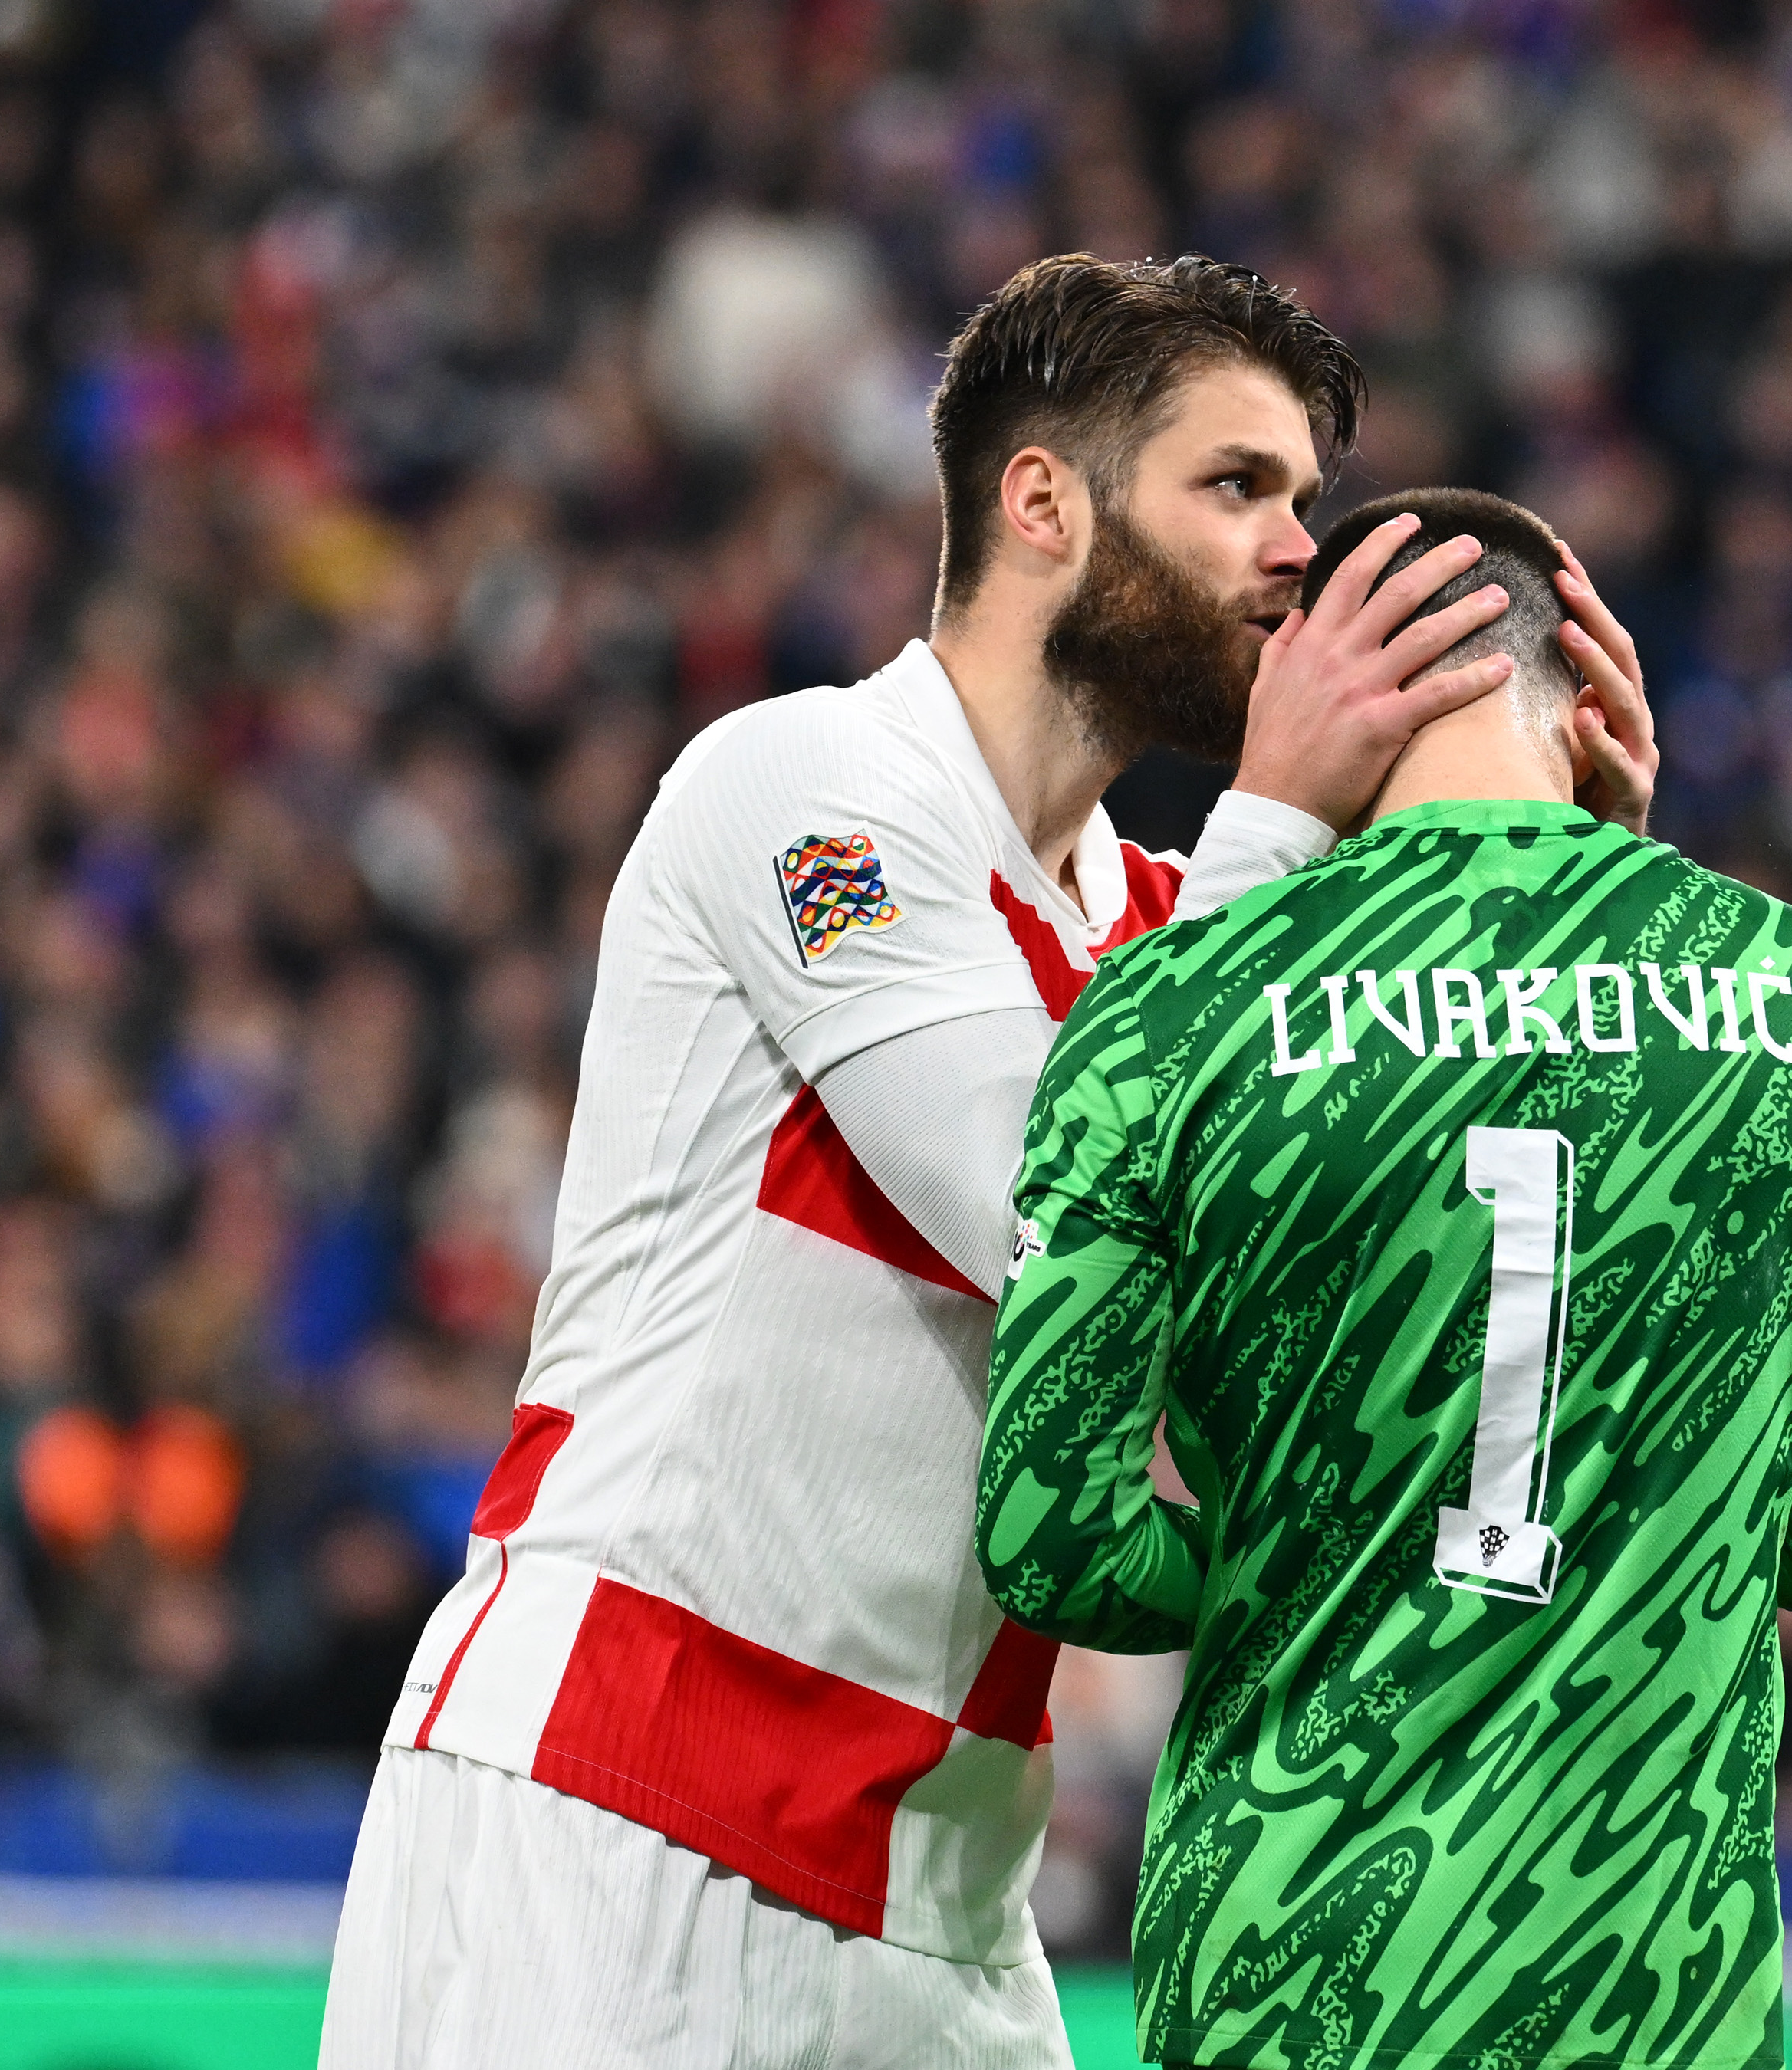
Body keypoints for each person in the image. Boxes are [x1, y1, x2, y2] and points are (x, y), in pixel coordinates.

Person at [316, 257, 1659, 2069]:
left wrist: (1568, 889)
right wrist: (1275, 823)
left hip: (943, 1891)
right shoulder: (802, 789)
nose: (1295, 553)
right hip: (622, 1824)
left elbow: (1459, 1274)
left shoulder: (1184, 933)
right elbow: (1046, 1211)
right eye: (1236, 486)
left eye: (1304, 500)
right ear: (1042, 503)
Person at [975, 487, 1792, 2069]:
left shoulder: (1169, 1009)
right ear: (1591, 699)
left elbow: (1055, 1544)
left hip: (1290, 1971)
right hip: (1653, 1986)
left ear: (1303, 696)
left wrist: (1302, 1553)